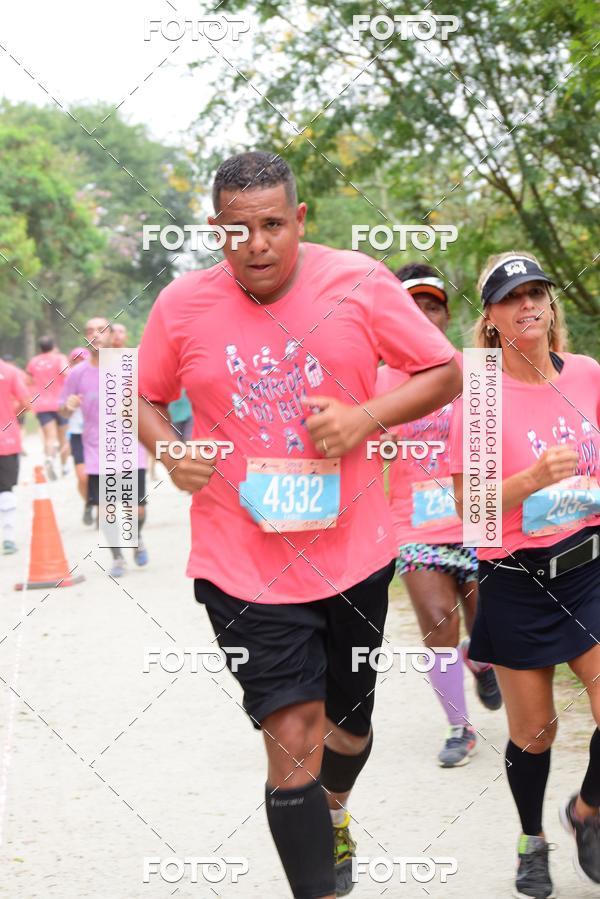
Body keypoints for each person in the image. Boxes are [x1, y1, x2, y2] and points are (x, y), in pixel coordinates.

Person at [137, 150, 462, 899]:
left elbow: (443, 370)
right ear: (216, 230)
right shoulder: (181, 304)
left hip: (352, 553)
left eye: (273, 224)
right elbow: (146, 396)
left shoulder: (359, 282)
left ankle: (337, 808)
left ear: (300, 219)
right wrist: (173, 450)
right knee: (294, 733)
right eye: (237, 229)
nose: (256, 244)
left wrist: (364, 418)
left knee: (347, 732)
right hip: (240, 559)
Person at [449, 251, 600, 898]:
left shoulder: (589, 374)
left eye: (536, 292)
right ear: (490, 318)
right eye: (511, 297)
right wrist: (532, 479)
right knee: (535, 731)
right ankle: (532, 838)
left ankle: (587, 809)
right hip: (515, 577)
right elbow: (469, 508)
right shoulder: (480, 394)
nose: (528, 304)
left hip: (589, 565)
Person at [376, 263, 501, 769]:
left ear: (446, 316)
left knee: (489, 627)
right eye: (413, 307)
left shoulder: (477, 371)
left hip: (475, 517)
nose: (424, 315)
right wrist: (375, 441)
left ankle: (482, 658)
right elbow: (357, 437)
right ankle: (459, 727)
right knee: (436, 621)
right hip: (414, 522)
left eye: (433, 306)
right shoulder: (379, 377)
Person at [61, 318, 149, 576]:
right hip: (97, 450)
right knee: (107, 510)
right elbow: (63, 411)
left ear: (111, 336)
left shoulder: (129, 367)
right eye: (89, 331)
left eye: (100, 330)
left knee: (137, 509)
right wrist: (68, 407)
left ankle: (137, 537)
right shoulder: (77, 374)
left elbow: (151, 399)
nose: (94, 335)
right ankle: (118, 557)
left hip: (131, 448)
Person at [26, 336, 69, 480]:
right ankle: (64, 467)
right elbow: (66, 373)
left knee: (50, 437)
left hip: (42, 404)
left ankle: (49, 459)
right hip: (61, 403)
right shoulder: (59, 358)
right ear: (54, 346)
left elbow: (29, 380)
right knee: (63, 437)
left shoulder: (34, 361)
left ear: (40, 348)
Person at [0, 356, 30, 553]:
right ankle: (8, 538)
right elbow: (26, 402)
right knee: (6, 489)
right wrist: (11, 415)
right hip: (6, 438)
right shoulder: (9, 371)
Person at [65, 347, 93, 524]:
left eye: (82, 361)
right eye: (75, 362)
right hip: (77, 433)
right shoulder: (69, 384)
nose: (79, 366)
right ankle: (89, 502)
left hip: (98, 434)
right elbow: (63, 412)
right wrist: (69, 406)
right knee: (83, 477)